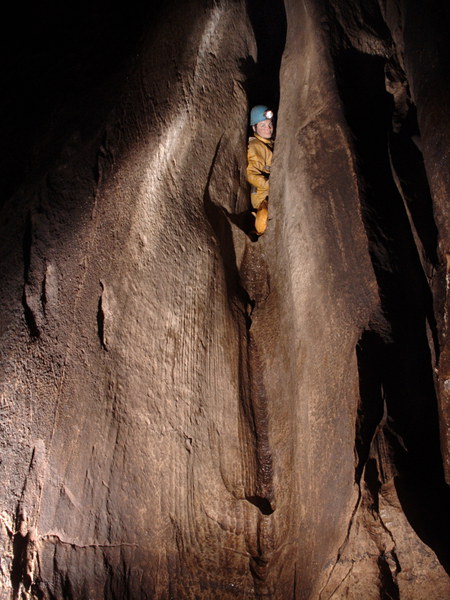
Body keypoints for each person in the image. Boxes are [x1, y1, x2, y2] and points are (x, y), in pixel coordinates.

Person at [246, 105, 274, 235]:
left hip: (271, 191)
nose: (268, 129)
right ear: (254, 128)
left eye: (269, 124)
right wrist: (269, 185)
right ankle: (256, 233)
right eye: (262, 125)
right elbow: (251, 174)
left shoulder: (270, 144)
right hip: (262, 195)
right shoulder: (255, 146)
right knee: (264, 218)